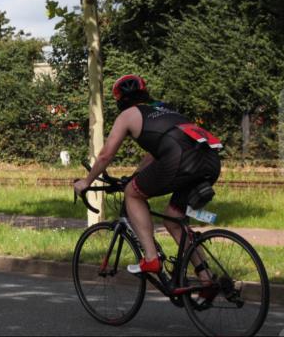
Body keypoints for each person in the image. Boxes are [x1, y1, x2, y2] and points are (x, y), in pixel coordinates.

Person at [73, 74, 222, 277]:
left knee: (132, 193)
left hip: (180, 160)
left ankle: (151, 258)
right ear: (145, 92)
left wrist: (87, 181)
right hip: (210, 161)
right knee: (174, 220)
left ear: (119, 100)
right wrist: (136, 175)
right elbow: (156, 153)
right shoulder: (167, 109)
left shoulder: (128, 115)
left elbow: (106, 154)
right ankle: (207, 279)